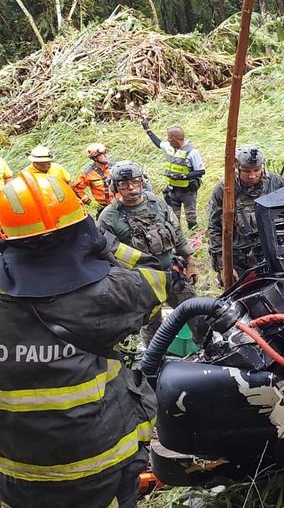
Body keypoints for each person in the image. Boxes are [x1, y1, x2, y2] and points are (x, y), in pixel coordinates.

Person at [0, 170, 168, 508]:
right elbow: (155, 278)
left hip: (17, 470)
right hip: (101, 463)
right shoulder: (105, 294)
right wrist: (104, 243)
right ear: (79, 227)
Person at [97, 161, 197, 343]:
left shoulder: (157, 202)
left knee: (195, 313)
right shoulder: (109, 217)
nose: (130, 187)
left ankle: (210, 351)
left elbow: (176, 231)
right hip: (140, 283)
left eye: (135, 181)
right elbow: (104, 255)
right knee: (152, 327)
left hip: (171, 274)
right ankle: (155, 366)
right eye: (123, 184)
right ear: (115, 186)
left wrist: (189, 260)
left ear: (142, 181)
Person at [206, 144, 284, 286]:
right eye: (247, 171)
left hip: (272, 252)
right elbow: (214, 229)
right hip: (239, 258)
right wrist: (223, 267)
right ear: (237, 168)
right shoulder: (224, 189)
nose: (252, 175)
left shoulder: (276, 182)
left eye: (257, 170)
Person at [140, 118, 205, 230]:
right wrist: (147, 129)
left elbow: (201, 171)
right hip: (172, 190)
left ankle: (195, 239)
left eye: (170, 138)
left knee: (191, 217)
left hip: (188, 191)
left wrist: (183, 176)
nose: (168, 140)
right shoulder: (170, 147)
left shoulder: (192, 152)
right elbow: (158, 143)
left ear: (178, 138)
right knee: (173, 218)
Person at [72, 142, 115, 216]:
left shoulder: (115, 167)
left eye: (106, 153)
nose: (106, 155)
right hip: (104, 208)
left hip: (122, 204)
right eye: (102, 154)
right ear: (95, 158)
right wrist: (90, 202)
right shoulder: (88, 173)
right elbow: (76, 188)